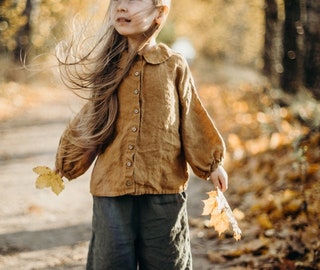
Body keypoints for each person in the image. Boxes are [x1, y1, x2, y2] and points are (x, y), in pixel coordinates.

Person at [54, 0, 228, 269]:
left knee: (166, 260)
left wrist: (211, 164)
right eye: (117, 1)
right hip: (111, 191)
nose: (121, 7)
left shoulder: (174, 66)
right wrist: (68, 163)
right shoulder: (108, 68)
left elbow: (192, 116)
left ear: (160, 12)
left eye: (133, 0)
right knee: (111, 261)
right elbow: (90, 121)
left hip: (164, 190)